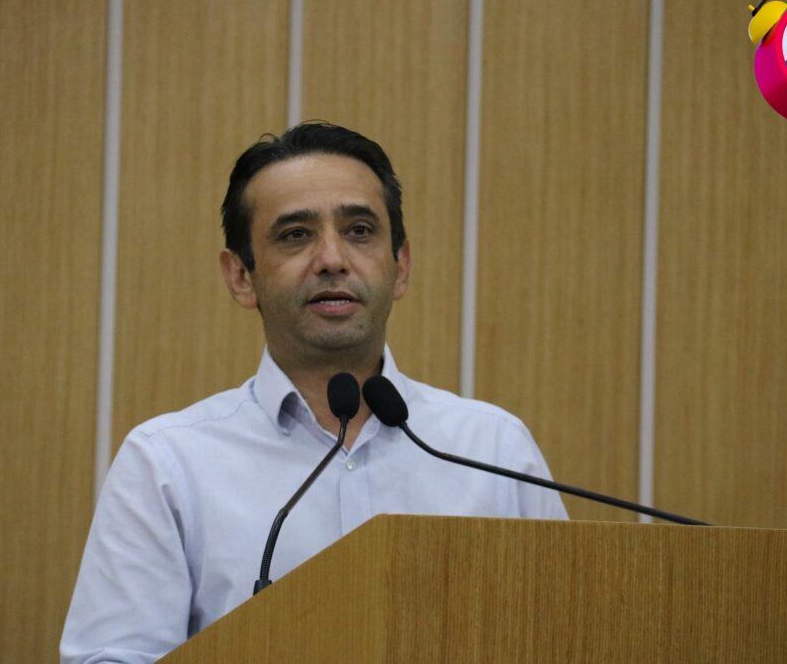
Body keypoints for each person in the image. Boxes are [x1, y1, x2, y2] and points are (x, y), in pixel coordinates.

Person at [60, 123, 568, 663]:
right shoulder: (168, 462)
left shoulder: (493, 450)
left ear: (400, 266)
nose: (331, 258)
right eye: (295, 235)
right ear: (241, 276)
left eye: (359, 231)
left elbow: (567, 638)